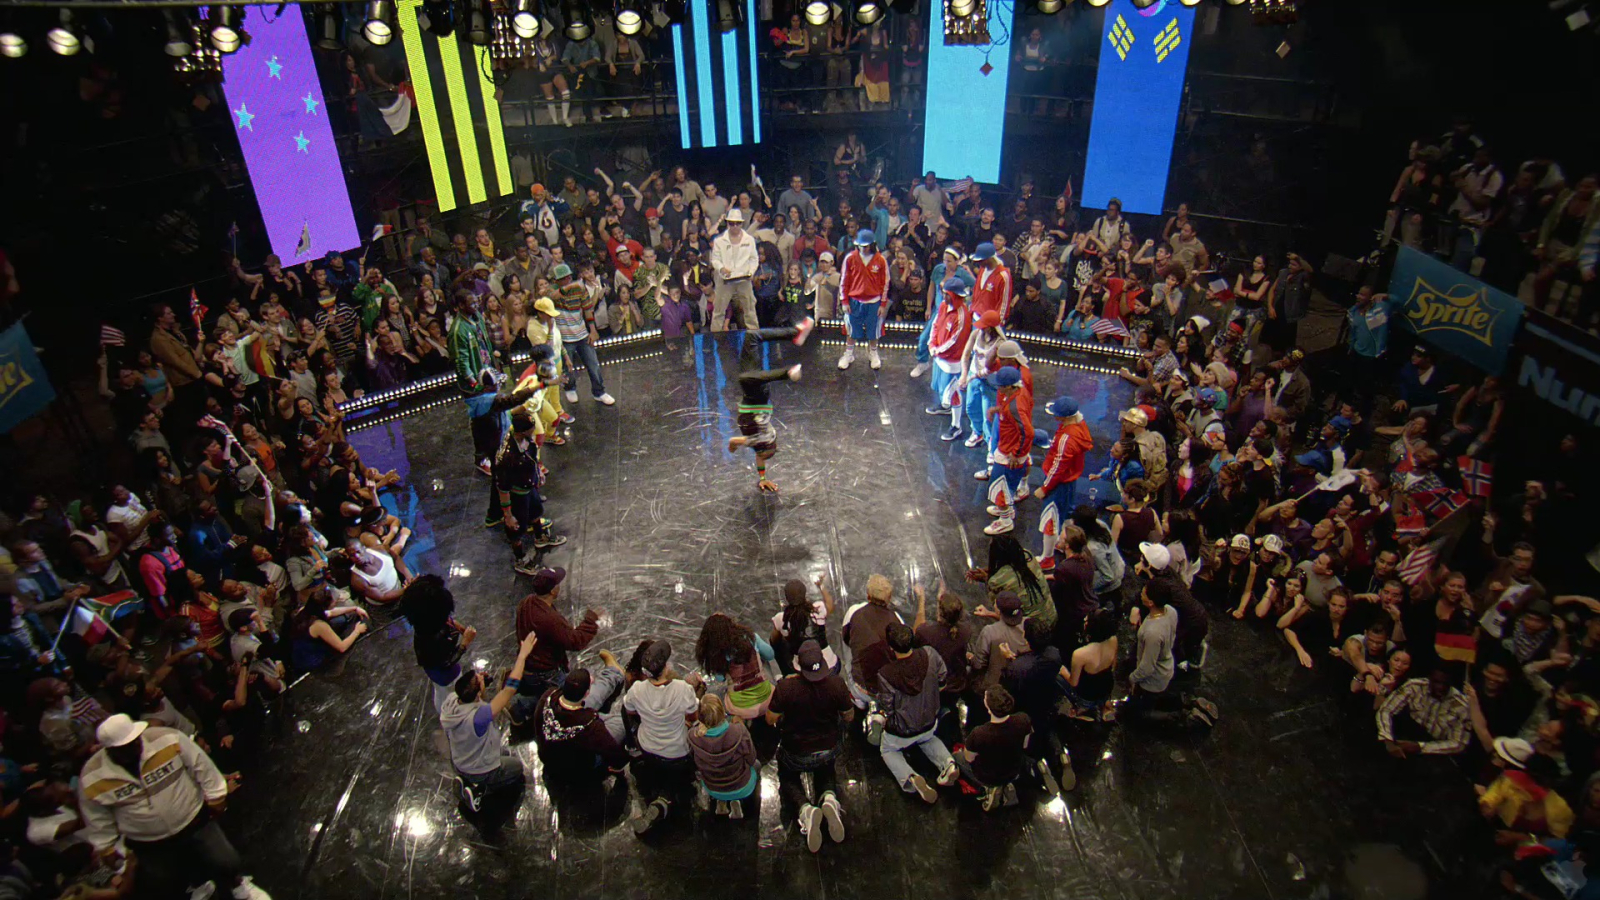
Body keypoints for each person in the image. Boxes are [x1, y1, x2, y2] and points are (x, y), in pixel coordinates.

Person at [77, 714, 269, 899]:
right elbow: (97, 819)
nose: (135, 746)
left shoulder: (167, 739)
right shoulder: (92, 777)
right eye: (125, 746)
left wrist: (217, 797)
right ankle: (200, 887)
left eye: (135, 740)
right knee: (167, 879)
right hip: (149, 842)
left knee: (226, 860)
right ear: (110, 750)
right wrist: (107, 848)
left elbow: (202, 765)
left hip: (193, 819)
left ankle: (237, 884)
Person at [767, 639, 852, 853]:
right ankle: (829, 799)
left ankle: (805, 809)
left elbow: (770, 718)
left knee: (788, 777)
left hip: (796, 751)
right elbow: (849, 716)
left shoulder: (786, 687)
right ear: (822, 662)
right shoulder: (837, 684)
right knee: (826, 770)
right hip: (827, 748)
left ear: (798, 665)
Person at [441, 630, 539, 812]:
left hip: (460, 760)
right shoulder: (478, 718)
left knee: (505, 753)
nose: (482, 676)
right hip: (477, 769)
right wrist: (523, 655)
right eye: (480, 680)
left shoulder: (452, 701)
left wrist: (480, 686)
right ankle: (479, 789)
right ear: (477, 693)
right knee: (516, 769)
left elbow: (476, 697)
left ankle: (465, 778)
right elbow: (510, 689)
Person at [726, 320, 815, 492]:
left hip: (755, 394)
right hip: (756, 397)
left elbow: (761, 457)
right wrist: (732, 448)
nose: (759, 457)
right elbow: (733, 441)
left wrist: (763, 478)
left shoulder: (764, 443)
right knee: (744, 378)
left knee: (752, 336)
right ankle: (787, 373)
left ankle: (795, 333)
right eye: (763, 454)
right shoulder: (761, 441)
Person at [871, 623, 957, 802]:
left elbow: (887, 707)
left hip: (902, 731)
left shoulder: (886, 674)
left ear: (891, 647)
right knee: (928, 739)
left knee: (887, 750)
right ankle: (948, 764)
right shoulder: (930, 654)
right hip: (929, 721)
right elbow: (943, 678)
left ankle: (910, 777)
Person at [623, 641, 701, 835]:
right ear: (665, 667)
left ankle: (661, 800)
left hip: (648, 749)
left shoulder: (636, 689)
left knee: (661, 777)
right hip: (678, 753)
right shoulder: (682, 689)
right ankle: (664, 800)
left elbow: (630, 711)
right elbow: (693, 717)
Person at [511, 566, 599, 715]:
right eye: (558, 584)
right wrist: (590, 621)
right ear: (553, 591)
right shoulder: (550, 619)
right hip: (546, 672)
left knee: (541, 691)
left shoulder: (527, 602)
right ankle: (519, 707)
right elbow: (575, 641)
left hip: (529, 664)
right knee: (562, 698)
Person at [495, 411, 567, 574]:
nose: (533, 431)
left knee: (536, 512)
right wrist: (508, 515)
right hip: (517, 495)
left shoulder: (526, 439)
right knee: (516, 529)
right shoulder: (507, 458)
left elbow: (533, 458)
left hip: (529, 487)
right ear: (521, 431)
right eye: (530, 429)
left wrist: (538, 473)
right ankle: (520, 559)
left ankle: (540, 537)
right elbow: (503, 488)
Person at [954, 685, 1032, 811]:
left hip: (988, 776)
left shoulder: (979, 733)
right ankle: (1007, 785)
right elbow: (1025, 745)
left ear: (988, 708)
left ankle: (990, 788)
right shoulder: (1023, 719)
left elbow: (969, 759)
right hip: (1014, 770)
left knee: (957, 757)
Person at [1035, 396, 1094, 559]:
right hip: (1069, 482)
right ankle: (1066, 543)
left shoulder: (1067, 438)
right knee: (1065, 514)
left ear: (1065, 417)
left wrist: (1045, 488)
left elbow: (1058, 466)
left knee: (1050, 521)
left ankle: (1047, 558)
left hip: (1058, 484)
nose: (1055, 416)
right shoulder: (1079, 426)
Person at [688, 694, 759, 819]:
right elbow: (751, 758)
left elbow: (694, 763)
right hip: (741, 786)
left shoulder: (692, 736)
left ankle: (721, 802)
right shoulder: (739, 731)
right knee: (757, 765)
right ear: (722, 713)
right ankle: (738, 801)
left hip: (713, 788)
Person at [1376, 665, 1471, 758]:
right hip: (1406, 733)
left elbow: (1458, 743)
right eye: (1436, 682)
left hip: (1435, 748)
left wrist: (1420, 747)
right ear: (1429, 678)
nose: (1440, 687)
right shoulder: (1414, 686)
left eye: (1445, 684)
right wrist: (1387, 740)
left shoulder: (1461, 705)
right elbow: (1386, 710)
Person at [982, 368, 1033, 536]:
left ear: (1010, 386)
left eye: (1001, 386)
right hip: (1008, 448)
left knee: (999, 488)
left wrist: (1016, 453)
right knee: (1006, 487)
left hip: (1009, 454)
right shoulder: (1019, 394)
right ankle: (1006, 510)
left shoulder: (1016, 406)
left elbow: (1028, 432)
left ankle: (1005, 521)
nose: (998, 388)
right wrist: (997, 410)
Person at [925, 277, 974, 442]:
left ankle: (956, 426)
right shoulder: (943, 306)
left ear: (954, 295)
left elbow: (955, 340)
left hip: (952, 361)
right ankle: (945, 408)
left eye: (946, 293)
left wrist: (937, 350)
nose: (943, 295)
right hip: (939, 357)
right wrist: (931, 343)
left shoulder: (962, 316)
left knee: (954, 393)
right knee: (942, 389)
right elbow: (935, 325)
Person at [837, 229, 890, 370]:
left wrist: (883, 304)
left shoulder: (881, 260)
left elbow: (885, 283)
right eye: (860, 246)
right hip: (854, 301)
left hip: (874, 302)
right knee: (851, 330)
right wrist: (844, 301)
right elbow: (844, 281)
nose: (863, 249)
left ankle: (873, 353)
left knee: (874, 331)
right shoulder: (850, 258)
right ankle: (848, 354)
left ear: (872, 245)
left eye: (866, 246)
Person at [709, 209, 759, 331]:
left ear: (741, 223)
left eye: (737, 223)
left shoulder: (749, 240)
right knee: (719, 310)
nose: (735, 226)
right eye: (732, 223)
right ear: (727, 223)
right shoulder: (719, 241)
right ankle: (715, 336)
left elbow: (754, 259)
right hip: (725, 280)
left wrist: (751, 272)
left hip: (744, 279)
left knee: (750, 310)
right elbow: (715, 259)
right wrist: (721, 268)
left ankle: (754, 335)